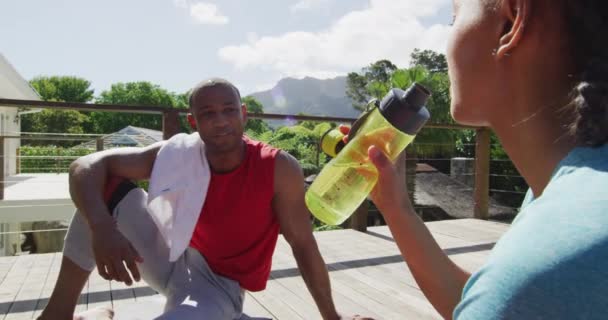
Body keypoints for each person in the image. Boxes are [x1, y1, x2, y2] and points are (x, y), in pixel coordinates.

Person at [343, 0, 608, 319]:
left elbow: (515, 298)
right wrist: (395, 206)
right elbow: (490, 301)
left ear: (511, 20)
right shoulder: (570, 202)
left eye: (455, 18)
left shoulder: (553, 258)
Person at [39, 78, 369, 320]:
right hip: (172, 252)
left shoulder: (277, 167)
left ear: (244, 115)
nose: (221, 120)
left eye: (228, 110)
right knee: (98, 189)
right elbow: (85, 166)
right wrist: (102, 228)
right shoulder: (179, 152)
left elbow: (303, 242)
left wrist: (332, 317)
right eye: (208, 113)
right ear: (193, 122)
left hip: (215, 284)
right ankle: (58, 315)